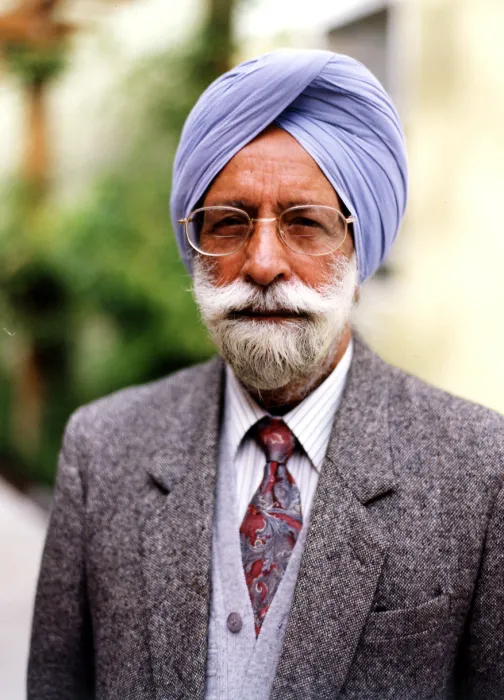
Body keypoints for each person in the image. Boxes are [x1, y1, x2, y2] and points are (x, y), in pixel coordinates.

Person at [28, 49, 504, 700]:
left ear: (360, 252)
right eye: (228, 223)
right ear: (194, 241)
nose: (262, 262)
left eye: (306, 223)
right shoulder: (103, 450)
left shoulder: (478, 469)